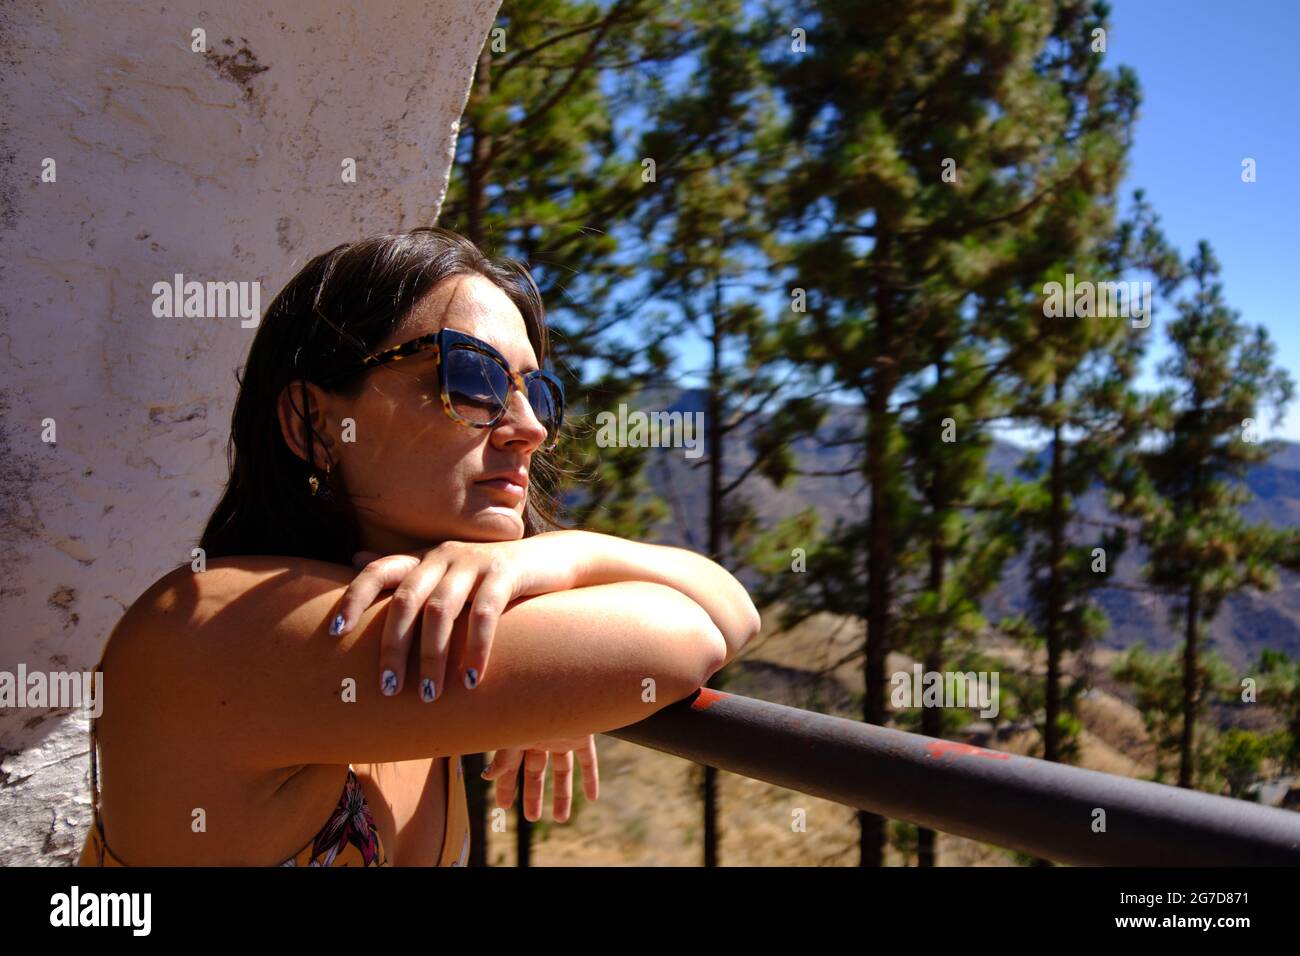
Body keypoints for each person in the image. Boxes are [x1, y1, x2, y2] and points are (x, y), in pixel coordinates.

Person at [80, 225, 761, 866]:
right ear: (315, 424)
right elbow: (688, 634)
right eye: (473, 379)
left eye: (534, 391)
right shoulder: (211, 627)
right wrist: (566, 627)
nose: (530, 428)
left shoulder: (422, 624)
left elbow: (731, 609)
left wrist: (545, 558)